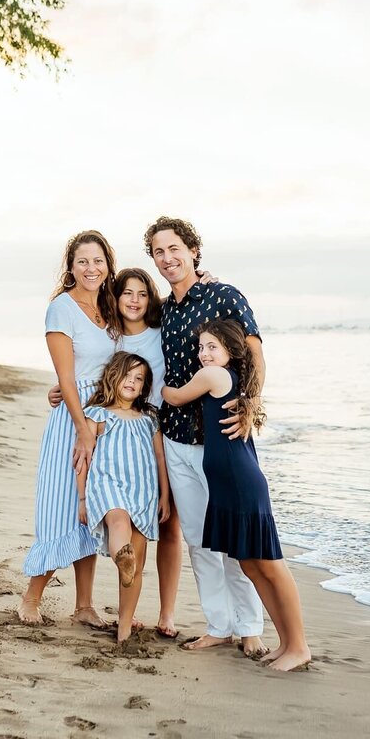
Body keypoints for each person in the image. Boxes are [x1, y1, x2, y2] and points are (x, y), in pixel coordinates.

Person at [145, 215, 268, 655]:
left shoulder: (224, 295)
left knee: (235, 539)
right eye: (159, 252)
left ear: (193, 250)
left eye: (174, 248)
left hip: (222, 437)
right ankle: (218, 624)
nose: (167, 258)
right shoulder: (164, 310)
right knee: (199, 539)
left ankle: (249, 626)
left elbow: (253, 348)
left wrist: (251, 403)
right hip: (176, 438)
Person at [163, 319, 311, 671]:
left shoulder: (216, 376)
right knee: (249, 564)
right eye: (201, 348)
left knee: (271, 566)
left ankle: (299, 645)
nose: (204, 354)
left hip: (241, 483)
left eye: (212, 346)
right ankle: (285, 642)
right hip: (226, 486)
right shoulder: (230, 380)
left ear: (231, 351)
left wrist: (157, 381)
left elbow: (175, 396)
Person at [18, 230, 119, 627]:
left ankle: (84, 606)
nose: (91, 268)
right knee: (62, 506)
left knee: (89, 512)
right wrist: (82, 429)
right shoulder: (62, 308)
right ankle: (32, 596)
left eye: (98, 261)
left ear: (108, 265)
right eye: (82, 262)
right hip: (74, 422)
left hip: (106, 419)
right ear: (71, 267)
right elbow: (67, 375)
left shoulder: (110, 309)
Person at [109, 267, 183, 639]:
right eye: (127, 293)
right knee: (125, 522)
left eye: (142, 293)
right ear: (117, 297)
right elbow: (91, 377)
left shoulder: (161, 333)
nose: (135, 300)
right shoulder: (109, 336)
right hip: (120, 442)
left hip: (161, 431)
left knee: (168, 525)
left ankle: (167, 612)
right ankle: (126, 610)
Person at [77, 351, 171, 644]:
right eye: (127, 375)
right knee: (119, 522)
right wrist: (82, 498)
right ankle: (123, 557)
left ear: (145, 386)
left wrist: (164, 496)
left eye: (139, 378)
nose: (132, 381)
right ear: (113, 377)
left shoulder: (149, 418)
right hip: (108, 484)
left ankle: (125, 629)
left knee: (138, 560)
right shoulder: (97, 414)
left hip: (143, 489)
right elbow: (83, 457)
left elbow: (159, 458)